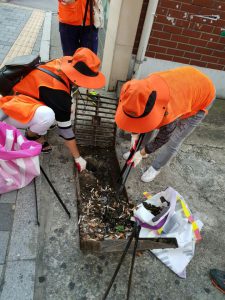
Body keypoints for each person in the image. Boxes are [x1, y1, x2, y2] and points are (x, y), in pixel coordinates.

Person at [0, 47, 105, 172]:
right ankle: (32, 135)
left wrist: (64, 112)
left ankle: (41, 125)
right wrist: (78, 158)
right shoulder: (59, 94)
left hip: (26, 94)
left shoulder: (59, 64)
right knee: (48, 116)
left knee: (63, 112)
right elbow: (66, 132)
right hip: (12, 107)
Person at [115, 66, 216, 182]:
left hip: (202, 96)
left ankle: (156, 167)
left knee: (174, 140)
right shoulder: (140, 91)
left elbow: (163, 137)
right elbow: (138, 118)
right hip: (185, 84)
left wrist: (141, 153)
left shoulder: (169, 110)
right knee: (147, 124)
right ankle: (142, 149)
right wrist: (135, 136)